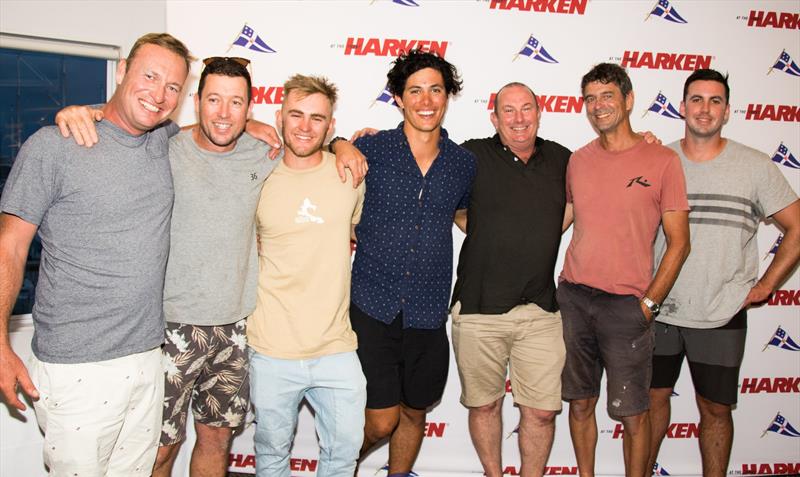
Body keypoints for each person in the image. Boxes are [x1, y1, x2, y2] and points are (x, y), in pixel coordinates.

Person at [0, 33, 192, 476]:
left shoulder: (164, 140)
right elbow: (9, 247)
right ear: (122, 71)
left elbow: (216, 134)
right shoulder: (53, 146)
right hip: (76, 366)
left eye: (173, 87)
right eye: (149, 76)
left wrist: (257, 127)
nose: (159, 94)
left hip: (147, 357)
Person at [647, 69, 800, 477]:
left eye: (715, 101)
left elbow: (797, 227)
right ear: (682, 107)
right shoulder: (658, 160)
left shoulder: (755, 166)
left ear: (728, 111)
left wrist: (768, 284)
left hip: (721, 310)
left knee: (715, 408)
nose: (705, 109)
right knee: (651, 403)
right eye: (696, 99)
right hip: (658, 308)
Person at [339, 49, 476, 476]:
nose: (426, 99)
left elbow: (466, 217)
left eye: (436, 89)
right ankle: (336, 467)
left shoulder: (463, 163)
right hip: (372, 305)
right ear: (398, 97)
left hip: (428, 311)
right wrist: (339, 142)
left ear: (447, 95)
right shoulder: (371, 147)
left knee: (415, 413)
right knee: (381, 419)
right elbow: (320, 151)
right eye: (414, 90)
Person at [556, 63, 690, 477]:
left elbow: (680, 243)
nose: (598, 106)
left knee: (633, 414)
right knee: (580, 403)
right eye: (590, 98)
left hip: (627, 307)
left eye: (607, 96)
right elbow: (560, 220)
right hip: (575, 298)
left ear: (629, 100)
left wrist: (648, 303)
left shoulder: (663, 160)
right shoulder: (577, 160)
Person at [247, 74, 367, 477]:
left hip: (335, 345)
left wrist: (346, 144)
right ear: (279, 117)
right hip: (271, 346)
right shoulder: (256, 175)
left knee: (343, 454)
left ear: (331, 126)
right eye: (295, 115)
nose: (304, 126)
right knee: (271, 455)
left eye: (317, 118)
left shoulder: (350, 173)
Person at [449, 82, 569, 477]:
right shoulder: (471, 155)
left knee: (542, 412)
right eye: (509, 110)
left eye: (526, 109)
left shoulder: (563, 159)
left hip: (540, 311)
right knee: (484, 405)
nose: (519, 119)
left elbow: (600, 180)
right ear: (494, 116)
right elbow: (430, 173)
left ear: (539, 111)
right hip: (479, 306)